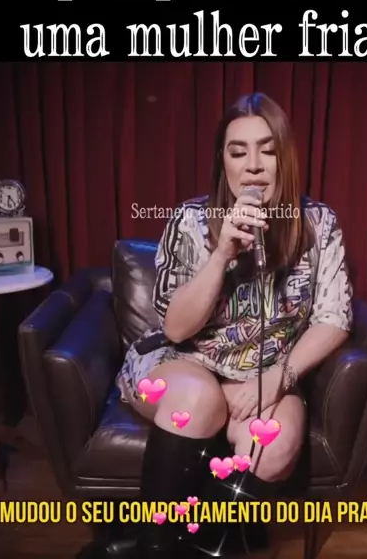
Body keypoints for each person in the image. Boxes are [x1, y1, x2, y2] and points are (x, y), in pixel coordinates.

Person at [115, 92, 354, 558]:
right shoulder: (189, 220)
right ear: (222, 162)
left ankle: (199, 546)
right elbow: (176, 329)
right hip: (183, 363)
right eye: (238, 151)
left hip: (265, 371)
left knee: (273, 445)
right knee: (197, 401)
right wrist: (222, 253)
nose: (254, 166)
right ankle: (154, 546)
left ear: (285, 158)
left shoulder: (318, 223)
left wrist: (280, 375)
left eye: (267, 150)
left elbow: (335, 317)